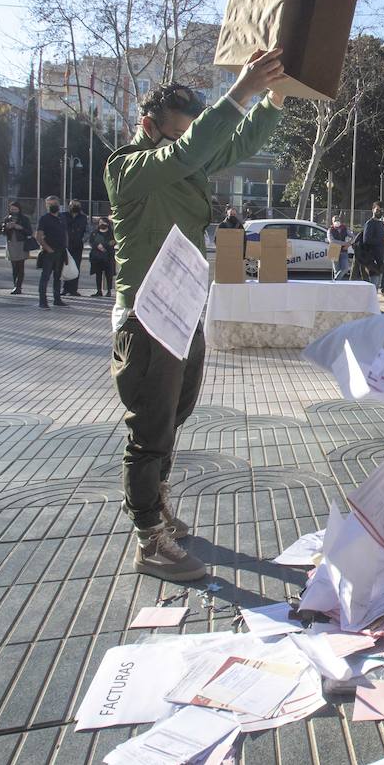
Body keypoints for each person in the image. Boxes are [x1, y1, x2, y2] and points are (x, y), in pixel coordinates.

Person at [105, 49, 286, 582]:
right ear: (148, 125)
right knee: (148, 429)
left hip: (182, 313)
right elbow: (190, 151)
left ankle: (156, 504)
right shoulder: (129, 168)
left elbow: (233, 142)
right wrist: (242, 89)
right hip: (145, 319)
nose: (187, 138)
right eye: (178, 130)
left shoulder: (185, 161)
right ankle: (148, 539)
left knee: (172, 420)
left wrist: (274, 96)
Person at [35, 196, 68, 308]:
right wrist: (48, 248)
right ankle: (42, 301)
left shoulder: (62, 217)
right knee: (45, 277)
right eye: (49, 204)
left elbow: (65, 233)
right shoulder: (44, 219)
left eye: (54, 204)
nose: (52, 206)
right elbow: (38, 236)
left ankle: (57, 299)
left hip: (61, 252)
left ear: (59, 204)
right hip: (49, 253)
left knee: (58, 277)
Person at [2, 201, 32, 294]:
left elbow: (29, 232)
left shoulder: (24, 219)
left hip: (21, 244)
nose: (13, 211)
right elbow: (3, 232)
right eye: (12, 209)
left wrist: (20, 228)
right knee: (14, 266)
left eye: (15, 209)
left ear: (19, 209)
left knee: (20, 266)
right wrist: (6, 227)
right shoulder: (7, 218)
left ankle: (18, 286)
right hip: (11, 244)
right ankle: (15, 285)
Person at [60, 201, 89, 296]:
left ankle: (73, 289)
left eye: (77, 205)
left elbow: (87, 231)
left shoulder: (83, 217)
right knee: (65, 266)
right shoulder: (64, 215)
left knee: (76, 267)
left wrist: (83, 239)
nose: (74, 206)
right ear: (69, 206)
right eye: (72, 204)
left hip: (77, 245)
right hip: (66, 245)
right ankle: (65, 288)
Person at [89, 217, 115, 297]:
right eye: (100, 222)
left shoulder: (111, 233)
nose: (102, 224)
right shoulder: (95, 232)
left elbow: (113, 242)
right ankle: (99, 291)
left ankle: (109, 291)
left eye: (104, 222)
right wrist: (97, 246)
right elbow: (91, 241)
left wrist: (105, 246)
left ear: (107, 224)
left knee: (109, 274)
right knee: (98, 274)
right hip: (97, 257)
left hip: (108, 256)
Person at [327, 216, 352, 280]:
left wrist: (349, 244)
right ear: (332, 222)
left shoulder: (344, 229)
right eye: (335, 220)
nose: (337, 222)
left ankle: (335, 280)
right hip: (334, 250)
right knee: (336, 270)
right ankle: (337, 285)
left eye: (338, 220)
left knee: (345, 268)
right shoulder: (330, 230)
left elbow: (353, 236)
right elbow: (332, 241)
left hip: (344, 251)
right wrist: (344, 243)